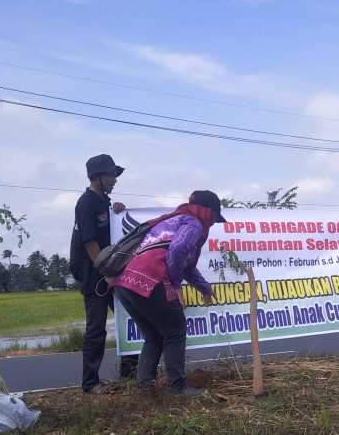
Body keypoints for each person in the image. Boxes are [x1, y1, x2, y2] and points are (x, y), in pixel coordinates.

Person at [112, 190, 225, 396]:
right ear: (207, 211)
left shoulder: (172, 221)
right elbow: (178, 249)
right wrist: (175, 285)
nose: (213, 223)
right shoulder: (193, 223)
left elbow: (187, 265)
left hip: (124, 283)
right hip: (150, 280)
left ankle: (143, 387)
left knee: (154, 335)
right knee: (175, 330)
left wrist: (205, 288)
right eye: (215, 218)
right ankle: (177, 388)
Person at [69, 153, 138, 393]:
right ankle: (90, 384)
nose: (114, 179)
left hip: (112, 274)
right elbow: (89, 243)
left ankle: (130, 375)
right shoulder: (86, 203)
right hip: (96, 276)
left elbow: (112, 233)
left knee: (130, 319)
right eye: (111, 175)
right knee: (96, 329)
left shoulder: (104, 202)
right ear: (97, 176)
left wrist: (118, 211)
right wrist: (106, 273)